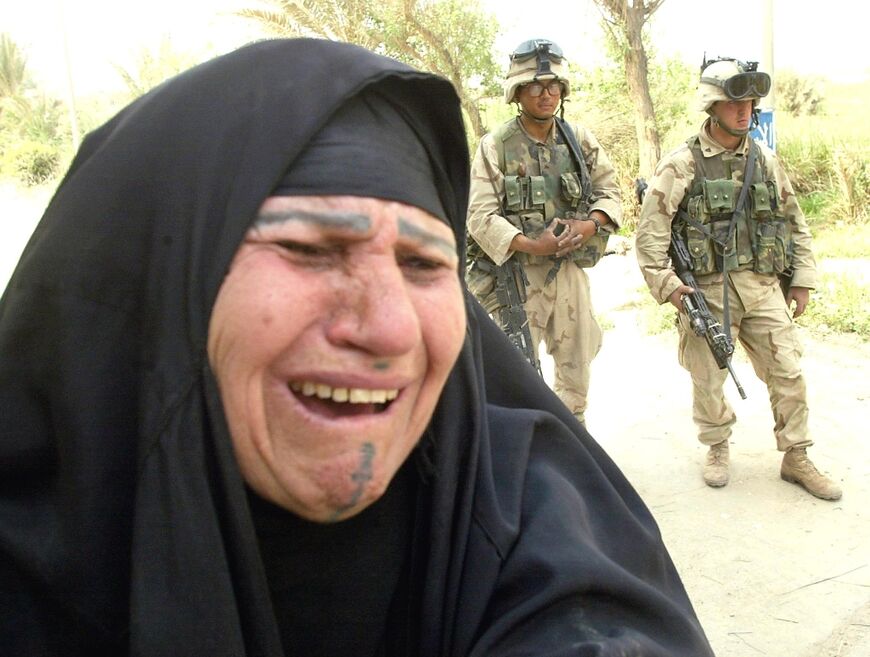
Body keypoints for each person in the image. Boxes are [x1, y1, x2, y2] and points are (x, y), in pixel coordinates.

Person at [0, 38, 715, 656]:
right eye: (311, 248)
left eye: (423, 264)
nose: (392, 328)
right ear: (162, 288)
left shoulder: (522, 503)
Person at [635, 56, 841, 500]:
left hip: (763, 286)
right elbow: (650, 235)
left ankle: (796, 455)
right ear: (712, 106)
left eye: (750, 101)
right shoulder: (681, 164)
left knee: (789, 372)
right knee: (708, 376)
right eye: (734, 102)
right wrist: (670, 287)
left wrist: (801, 278)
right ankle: (716, 446)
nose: (744, 110)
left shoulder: (765, 160)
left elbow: (794, 221)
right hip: (706, 291)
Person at [466, 38, 622, 426]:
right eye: (536, 86)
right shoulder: (495, 146)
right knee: (514, 374)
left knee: (576, 370)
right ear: (518, 92)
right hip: (517, 277)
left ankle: (574, 440)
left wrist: (590, 224)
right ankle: (520, 450)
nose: (546, 94)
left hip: (568, 272)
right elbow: (479, 214)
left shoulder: (579, 140)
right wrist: (529, 242)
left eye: (554, 86)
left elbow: (611, 192)